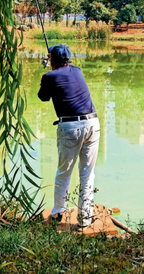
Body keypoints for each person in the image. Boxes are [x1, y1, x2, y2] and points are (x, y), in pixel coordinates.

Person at [38, 44, 100, 227]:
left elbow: (43, 97)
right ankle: (85, 219)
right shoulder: (78, 70)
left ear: (53, 60)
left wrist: (46, 68)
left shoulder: (50, 76)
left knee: (64, 172)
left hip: (70, 127)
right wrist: (52, 64)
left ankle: (57, 212)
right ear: (70, 59)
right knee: (87, 173)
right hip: (92, 124)